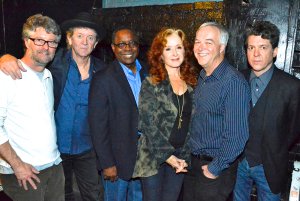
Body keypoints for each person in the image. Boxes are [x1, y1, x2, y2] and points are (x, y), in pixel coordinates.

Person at [0, 12, 106, 201]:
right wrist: (4, 58)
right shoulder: (54, 62)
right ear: (69, 39)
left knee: (93, 195)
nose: (84, 42)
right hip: (57, 149)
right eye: (80, 36)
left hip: (85, 149)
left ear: (96, 44)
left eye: (90, 38)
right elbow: (29, 61)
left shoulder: (103, 70)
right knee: (66, 195)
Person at [183, 22, 251, 201]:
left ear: (222, 47)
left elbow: (237, 136)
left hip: (214, 170)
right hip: (193, 165)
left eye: (208, 42)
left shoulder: (233, 82)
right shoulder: (203, 77)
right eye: (197, 42)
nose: (200, 47)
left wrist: (214, 169)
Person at [233, 21, 300, 201]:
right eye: (251, 47)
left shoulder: (292, 87)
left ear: (275, 51)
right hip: (238, 163)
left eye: (263, 47)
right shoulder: (238, 79)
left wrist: (275, 147)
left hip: (269, 167)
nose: (255, 54)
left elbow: (294, 130)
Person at [0, 14, 64, 201]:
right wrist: (18, 166)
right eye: (40, 40)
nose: (46, 47)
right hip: (25, 174)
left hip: (54, 166)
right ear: (27, 41)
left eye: (52, 43)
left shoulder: (49, 76)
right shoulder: (7, 75)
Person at [132, 28, 198, 201]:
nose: (174, 53)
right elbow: (145, 123)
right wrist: (167, 156)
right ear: (160, 55)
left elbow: (191, 124)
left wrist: (183, 156)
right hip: (154, 156)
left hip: (180, 156)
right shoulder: (151, 83)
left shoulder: (192, 82)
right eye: (168, 49)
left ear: (185, 50)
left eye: (179, 47)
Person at [89, 27, 147, 201]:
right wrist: (107, 163)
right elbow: (97, 126)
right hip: (117, 161)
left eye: (132, 43)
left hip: (144, 157)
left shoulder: (149, 73)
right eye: (122, 44)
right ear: (113, 48)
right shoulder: (103, 78)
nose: (128, 48)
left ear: (138, 46)